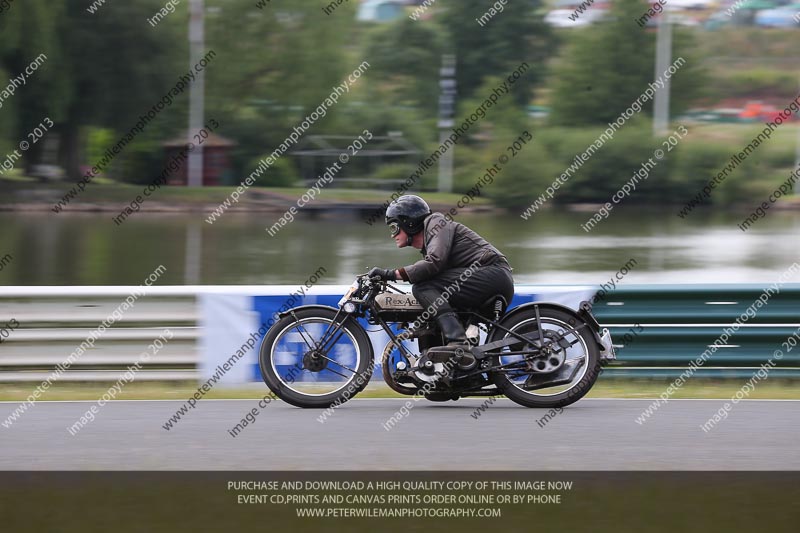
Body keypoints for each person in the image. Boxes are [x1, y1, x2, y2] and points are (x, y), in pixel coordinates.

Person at [369, 195, 514, 351]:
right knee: (429, 304)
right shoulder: (430, 240)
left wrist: (391, 274)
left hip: (493, 274)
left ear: (408, 223)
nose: (393, 235)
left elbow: (434, 262)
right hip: (486, 279)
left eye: (394, 227)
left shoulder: (437, 222)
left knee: (422, 287)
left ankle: (458, 341)